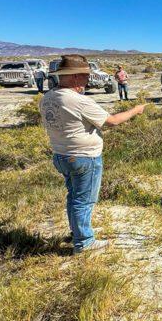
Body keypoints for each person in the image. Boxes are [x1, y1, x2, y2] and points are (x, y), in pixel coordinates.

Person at [40, 54, 146, 254]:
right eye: (86, 76)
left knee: (74, 197)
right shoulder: (77, 100)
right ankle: (84, 243)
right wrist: (135, 110)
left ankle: (77, 232)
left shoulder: (48, 98)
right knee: (84, 200)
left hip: (61, 155)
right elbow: (112, 120)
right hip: (83, 157)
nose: (88, 80)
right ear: (75, 77)